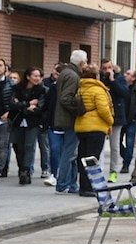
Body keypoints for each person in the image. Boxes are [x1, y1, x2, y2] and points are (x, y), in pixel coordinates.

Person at [74, 63, 112, 197]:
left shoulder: (81, 89)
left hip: (81, 126)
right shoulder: (98, 90)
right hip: (96, 127)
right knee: (93, 158)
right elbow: (103, 110)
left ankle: (83, 186)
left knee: (83, 158)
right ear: (96, 75)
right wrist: (110, 121)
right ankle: (90, 187)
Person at [55, 51, 87, 194]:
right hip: (70, 119)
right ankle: (62, 184)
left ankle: (72, 184)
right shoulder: (73, 76)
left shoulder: (66, 72)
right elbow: (66, 98)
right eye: (85, 62)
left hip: (65, 118)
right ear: (81, 63)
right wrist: (79, 109)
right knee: (69, 152)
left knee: (72, 152)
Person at [8, 67, 46, 185]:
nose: (37, 78)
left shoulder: (41, 90)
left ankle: (26, 172)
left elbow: (40, 108)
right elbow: (12, 104)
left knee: (29, 145)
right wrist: (27, 105)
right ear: (28, 76)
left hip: (33, 122)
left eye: (39, 76)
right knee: (19, 147)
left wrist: (22, 106)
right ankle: (21, 169)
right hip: (18, 120)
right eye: (35, 76)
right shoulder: (17, 88)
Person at [101, 59, 129, 180]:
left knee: (115, 145)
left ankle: (113, 171)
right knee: (100, 145)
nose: (107, 70)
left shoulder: (119, 78)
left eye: (109, 67)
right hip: (102, 115)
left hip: (117, 116)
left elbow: (124, 93)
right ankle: (100, 170)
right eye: (104, 68)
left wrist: (112, 81)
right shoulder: (100, 78)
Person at [41, 66, 61, 187]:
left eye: (57, 74)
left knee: (66, 152)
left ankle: (65, 176)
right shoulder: (53, 87)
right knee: (54, 149)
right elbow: (47, 105)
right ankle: (53, 174)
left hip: (67, 125)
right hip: (53, 124)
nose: (55, 77)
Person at [120, 69, 136, 173]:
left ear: (133, 78)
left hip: (132, 119)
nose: (125, 75)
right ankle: (125, 156)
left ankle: (126, 165)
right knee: (117, 143)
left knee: (130, 142)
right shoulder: (121, 86)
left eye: (128, 74)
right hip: (120, 118)